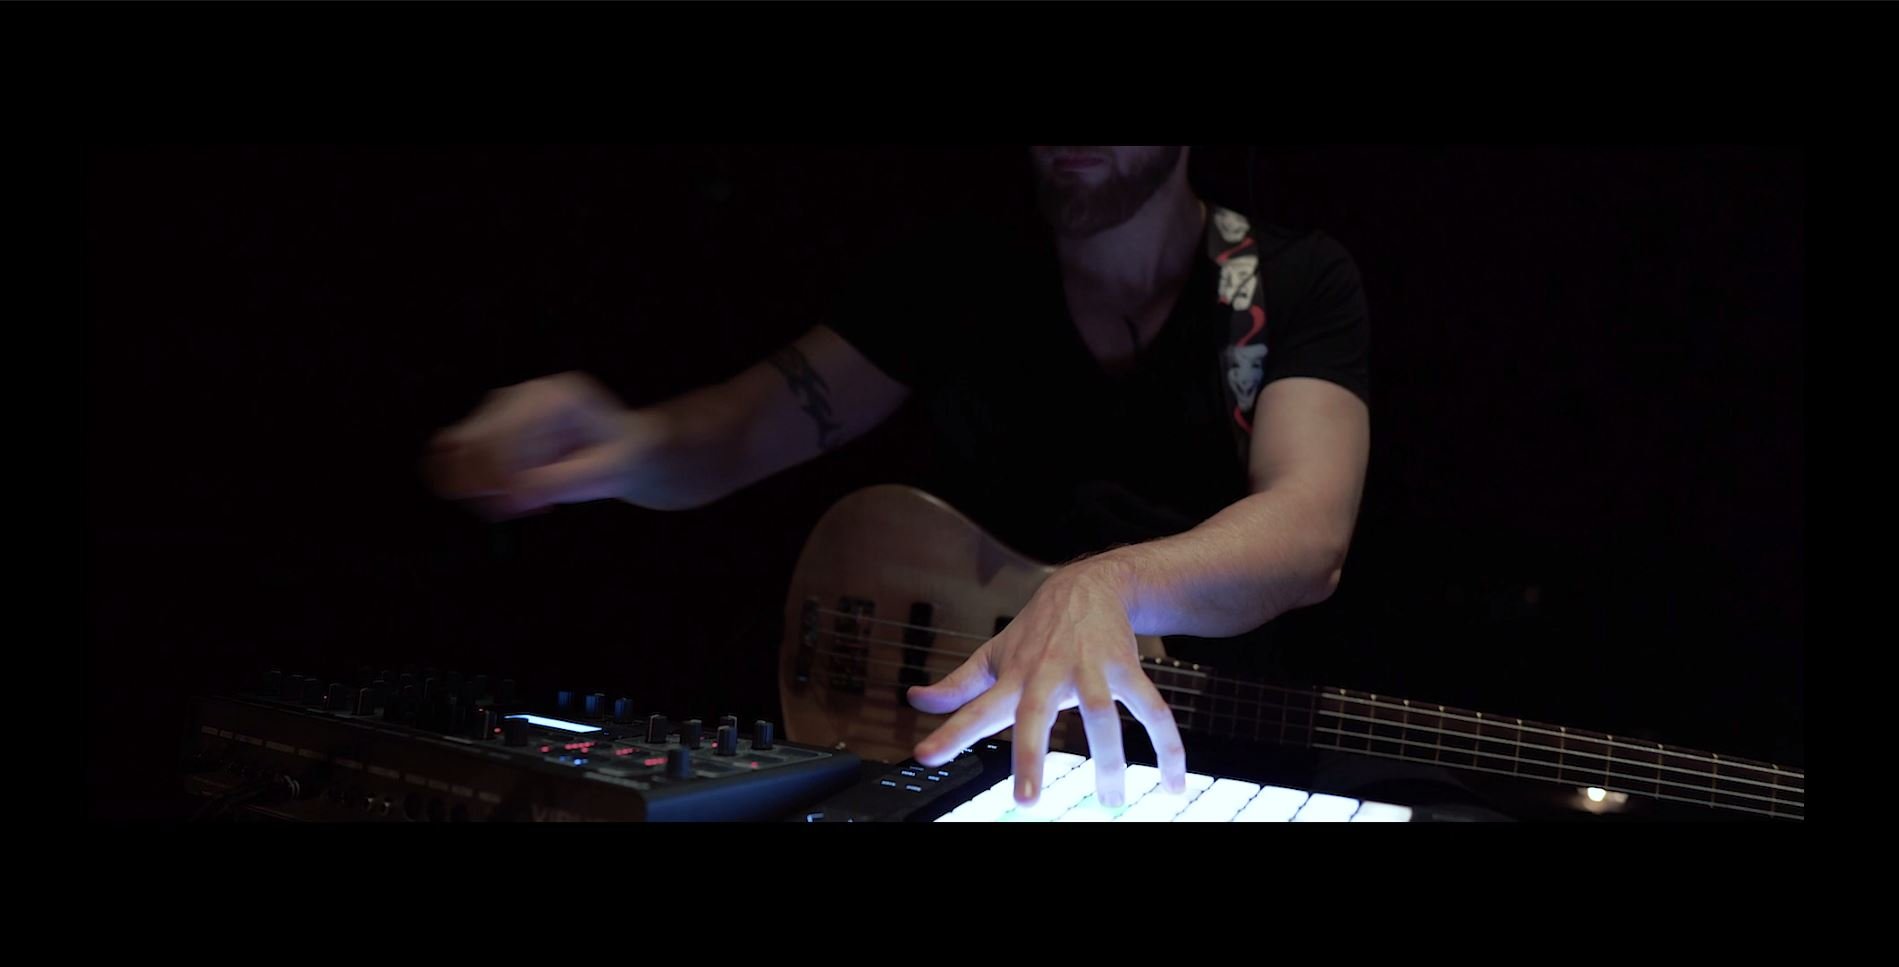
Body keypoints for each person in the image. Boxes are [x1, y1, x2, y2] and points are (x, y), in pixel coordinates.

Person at [426, 146, 1371, 809]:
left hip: (1213, 767)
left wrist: (1105, 584)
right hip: (960, 766)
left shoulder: (1291, 281)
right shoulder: (959, 271)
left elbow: (1308, 531)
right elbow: (737, 430)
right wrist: (619, 441)